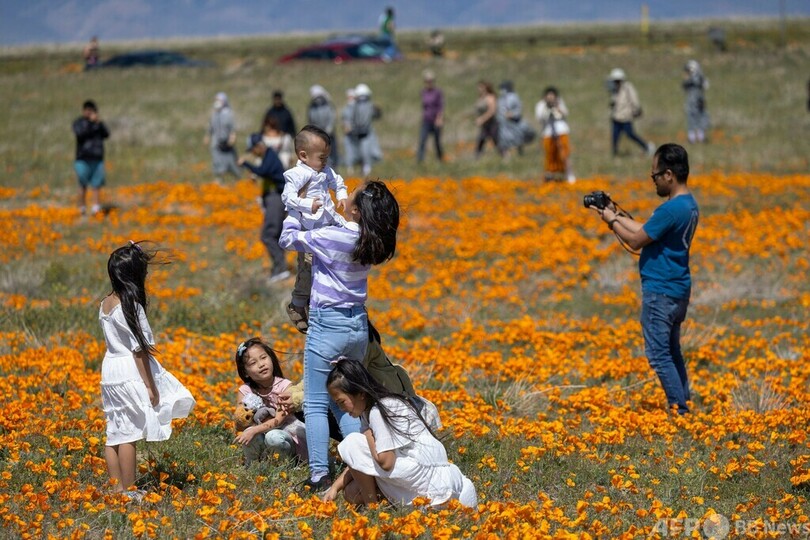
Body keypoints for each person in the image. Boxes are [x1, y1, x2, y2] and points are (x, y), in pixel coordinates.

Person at [279, 180, 400, 492]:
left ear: (357, 209)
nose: (344, 195)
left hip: (327, 324)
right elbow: (340, 220)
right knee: (345, 402)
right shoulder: (367, 241)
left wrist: (296, 207)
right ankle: (361, 463)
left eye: (352, 194)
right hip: (357, 327)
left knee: (317, 403)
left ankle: (319, 474)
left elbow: (287, 238)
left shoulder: (333, 236)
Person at [590, 143, 699, 415]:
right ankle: (684, 400)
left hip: (660, 291)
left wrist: (612, 222)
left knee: (658, 354)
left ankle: (680, 409)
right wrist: (613, 215)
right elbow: (645, 229)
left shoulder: (670, 210)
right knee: (672, 350)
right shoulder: (688, 205)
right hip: (677, 288)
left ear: (669, 175)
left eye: (655, 176)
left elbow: (637, 241)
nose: (654, 182)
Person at [99, 242, 195, 499]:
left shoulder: (106, 303)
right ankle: (130, 491)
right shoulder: (132, 306)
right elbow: (139, 351)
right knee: (129, 432)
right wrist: (151, 386)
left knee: (114, 430)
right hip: (129, 369)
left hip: (110, 368)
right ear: (135, 275)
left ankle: (115, 488)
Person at [322, 360, 477, 508]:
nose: (341, 408)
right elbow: (360, 461)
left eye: (341, 402)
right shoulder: (371, 410)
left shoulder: (378, 411)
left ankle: (372, 508)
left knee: (351, 443)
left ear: (360, 393)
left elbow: (386, 462)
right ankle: (392, 507)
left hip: (432, 487)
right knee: (352, 491)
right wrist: (335, 488)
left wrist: (367, 433)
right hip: (448, 488)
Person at [281, 125, 348, 334]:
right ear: (303, 155)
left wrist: (342, 195)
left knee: (332, 262)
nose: (325, 161)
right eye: (321, 157)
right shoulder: (297, 174)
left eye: (327, 156)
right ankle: (298, 303)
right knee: (307, 267)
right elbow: (287, 197)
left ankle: (322, 302)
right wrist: (306, 205)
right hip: (308, 229)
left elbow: (337, 181)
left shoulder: (324, 170)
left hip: (328, 224)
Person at [233, 338, 307, 465]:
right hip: (262, 437)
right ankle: (254, 466)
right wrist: (243, 423)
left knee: (273, 437)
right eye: (253, 363)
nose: (261, 364)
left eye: (263, 358)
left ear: (271, 358)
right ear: (245, 372)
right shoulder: (245, 390)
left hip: (286, 435)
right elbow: (240, 421)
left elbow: (278, 421)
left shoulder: (285, 387)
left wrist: (254, 430)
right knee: (248, 432)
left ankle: (286, 464)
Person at [238, 134, 290, 284]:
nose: (253, 153)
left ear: (258, 146)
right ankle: (279, 268)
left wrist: (245, 164)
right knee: (275, 234)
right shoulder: (269, 156)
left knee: (268, 234)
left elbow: (262, 171)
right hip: (274, 199)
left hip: (276, 199)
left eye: (253, 150)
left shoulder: (270, 156)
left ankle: (281, 268)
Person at [72, 100, 110, 216]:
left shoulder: (98, 124)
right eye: (87, 110)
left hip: (97, 158)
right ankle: (82, 207)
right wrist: (90, 124)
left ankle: (96, 207)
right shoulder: (79, 123)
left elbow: (106, 134)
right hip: (82, 158)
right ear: (84, 111)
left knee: (96, 184)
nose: (89, 113)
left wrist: (98, 124)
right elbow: (80, 134)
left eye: (92, 111)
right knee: (82, 183)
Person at [607, 68, 655, 157]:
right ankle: (614, 153)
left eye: (618, 80)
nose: (616, 82)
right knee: (615, 136)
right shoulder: (614, 90)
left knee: (631, 134)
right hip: (616, 117)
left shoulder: (627, 88)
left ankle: (646, 146)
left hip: (625, 117)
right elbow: (613, 102)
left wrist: (636, 110)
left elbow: (634, 100)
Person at [535, 86, 575, 183]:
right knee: (549, 155)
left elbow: (565, 113)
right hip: (548, 133)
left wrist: (557, 106)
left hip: (561, 131)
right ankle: (550, 176)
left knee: (564, 154)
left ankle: (568, 174)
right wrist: (546, 108)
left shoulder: (559, 102)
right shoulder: (541, 105)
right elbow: (540, 118)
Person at [204, 92, 241, 183]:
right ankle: (219, 180)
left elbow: (232, 129)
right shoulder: (214, 114)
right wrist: (207, 136)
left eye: (219, 100)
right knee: (217, 161)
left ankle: (238, 179)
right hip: (216, 142)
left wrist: (232, 138)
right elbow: (211, 127)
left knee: (231, 162)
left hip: (227, 143)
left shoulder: (228, 114)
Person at [349, 84, 382, 176]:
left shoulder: (358, 105)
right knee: (363, 151)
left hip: (363, 132)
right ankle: (365, 167)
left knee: (365, 150)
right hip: (363, 132)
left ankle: (366, 167)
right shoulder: (366, 105)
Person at [497, 80, 535, 157]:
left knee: (518, 138)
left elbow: (518, 109)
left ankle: (520, 153)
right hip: (504, 124)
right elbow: (500, 109)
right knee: (504, 140)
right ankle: (506, 156)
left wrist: (512, 114)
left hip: (514, 122)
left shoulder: (514, 97)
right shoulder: (501, 99)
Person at [307, 85, 340, 167]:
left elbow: (332, 118)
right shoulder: (312, 108)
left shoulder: (328, 106)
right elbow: (311, 120)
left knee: (332, 152)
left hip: (330, 135)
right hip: (319, 136)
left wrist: (329, 129)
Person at [416, 70, 444, 164]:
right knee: (422, 139)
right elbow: (424, 106)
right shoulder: (423, 92)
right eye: (427, 81)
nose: (429, 83)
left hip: (435, 119)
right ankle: (420, 160)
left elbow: (440, 106)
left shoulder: (437, 92)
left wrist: (439, 119)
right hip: (426, 120)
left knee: (437, 142)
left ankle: (440, 158)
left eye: (430, 80)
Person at [682, 60, 710, 144]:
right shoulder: (694, 79)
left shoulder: (697, 78)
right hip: (694, 101)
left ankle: (698, 137)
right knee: (693, 119)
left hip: (697, 101)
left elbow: (705, 85)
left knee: (699, 118)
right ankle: (694, 138)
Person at [474, 81, 501, 158]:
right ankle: (477, 157)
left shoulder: (490, 97)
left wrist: (482, 119)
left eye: (481, 87)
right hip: (485, 125)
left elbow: (492, 111)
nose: (479, 89)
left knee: (496, 140)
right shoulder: (480, 98)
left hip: (492, 123)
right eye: (478, 87)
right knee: (480, 140)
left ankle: (504, 155)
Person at [341, 88, 359, 172]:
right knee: (349, 150)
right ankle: (350, 167)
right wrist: (345, 127)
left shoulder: (357, 108)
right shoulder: (345, 109)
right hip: (348, 134)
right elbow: (344, 120)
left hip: (357, 133)